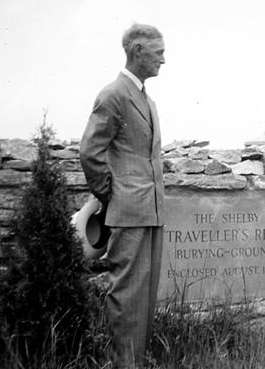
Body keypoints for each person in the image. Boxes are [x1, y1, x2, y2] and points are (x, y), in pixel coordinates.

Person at [80, 23, 166, 367]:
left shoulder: (145, 97)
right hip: (129, 211)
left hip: (151, 211)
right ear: (138, 51)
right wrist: (110, 196)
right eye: (159, 52)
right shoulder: (114, 94)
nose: (165, 59)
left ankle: (136, 363)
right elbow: (90, 152)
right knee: (127, 296)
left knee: (143, 299)